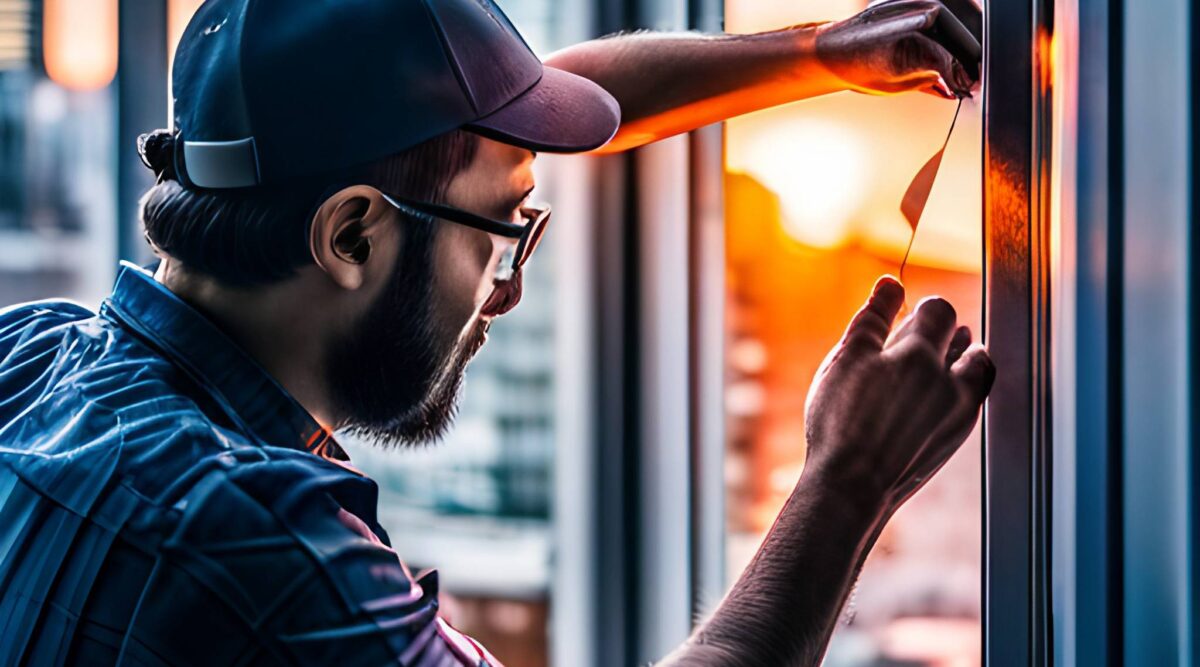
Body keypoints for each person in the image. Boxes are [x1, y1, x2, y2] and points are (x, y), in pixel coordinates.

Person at [0, 0, 992, 664]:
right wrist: (847, 482)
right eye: (505, 235)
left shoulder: (30, 364)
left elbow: (471, 152)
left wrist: (817, 52)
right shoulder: (272, 561)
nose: (505, 293)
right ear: (349, 233)